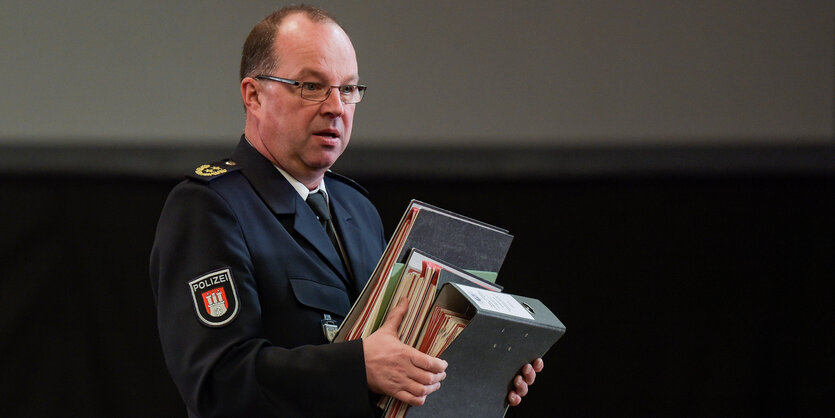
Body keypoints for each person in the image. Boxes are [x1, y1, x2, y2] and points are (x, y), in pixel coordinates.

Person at [150, 5, 543, 417]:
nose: (336, 106)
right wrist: (358, 367)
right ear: (253, 95)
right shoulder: (209, 207)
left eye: (349, 88)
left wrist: (473, 370)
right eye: (311, 86)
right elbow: (217, 384)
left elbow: (390, 367)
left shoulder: (357, 209)